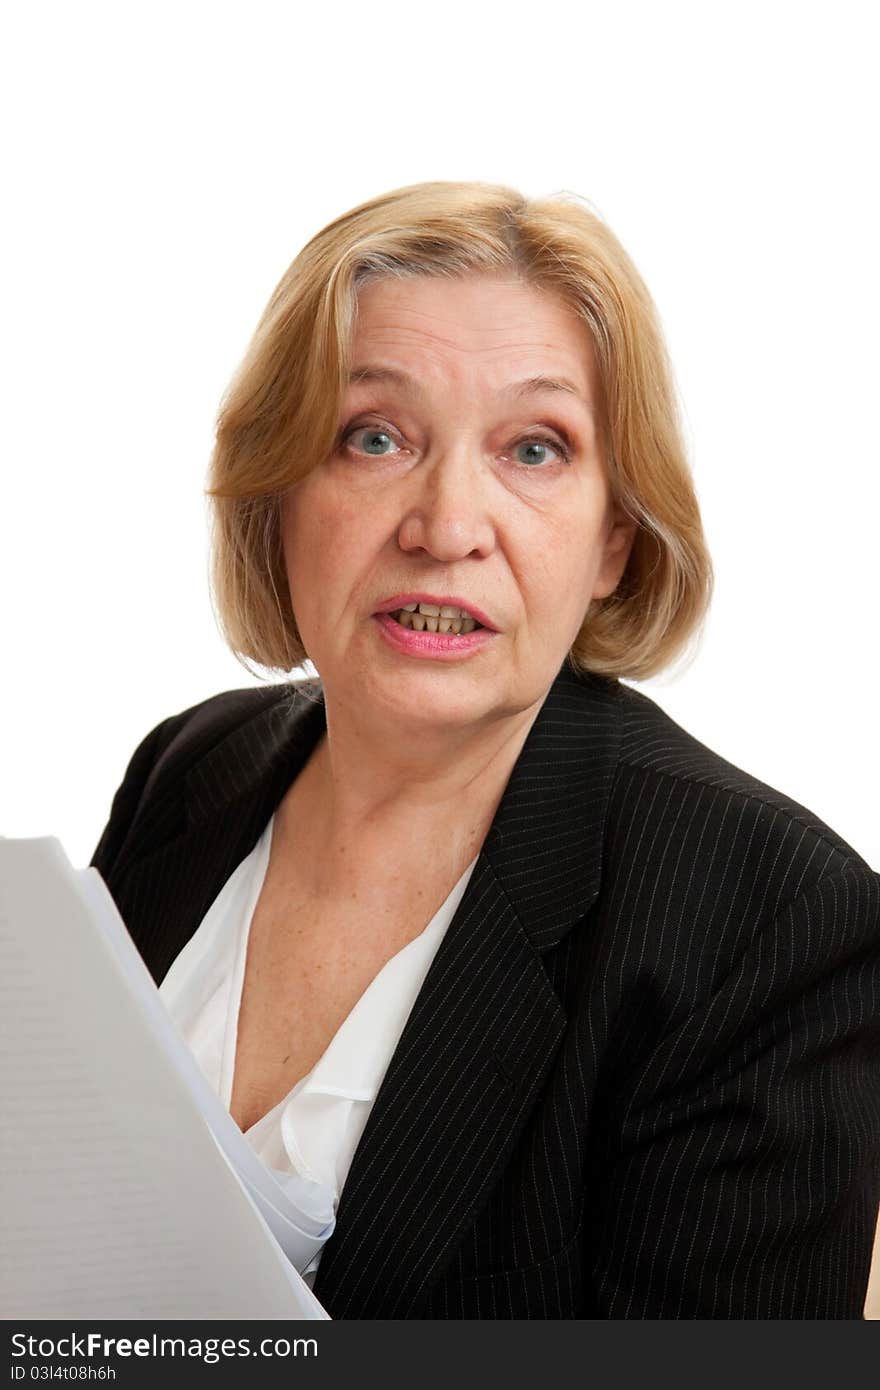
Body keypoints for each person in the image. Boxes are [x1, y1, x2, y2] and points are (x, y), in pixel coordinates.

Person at [91, 180, 880, 1319]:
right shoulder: (188, 771)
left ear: (615, 537)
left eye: (534, 449)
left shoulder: (766, 919)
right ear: (278, 494)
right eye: (374, 437)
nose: (446, 526)